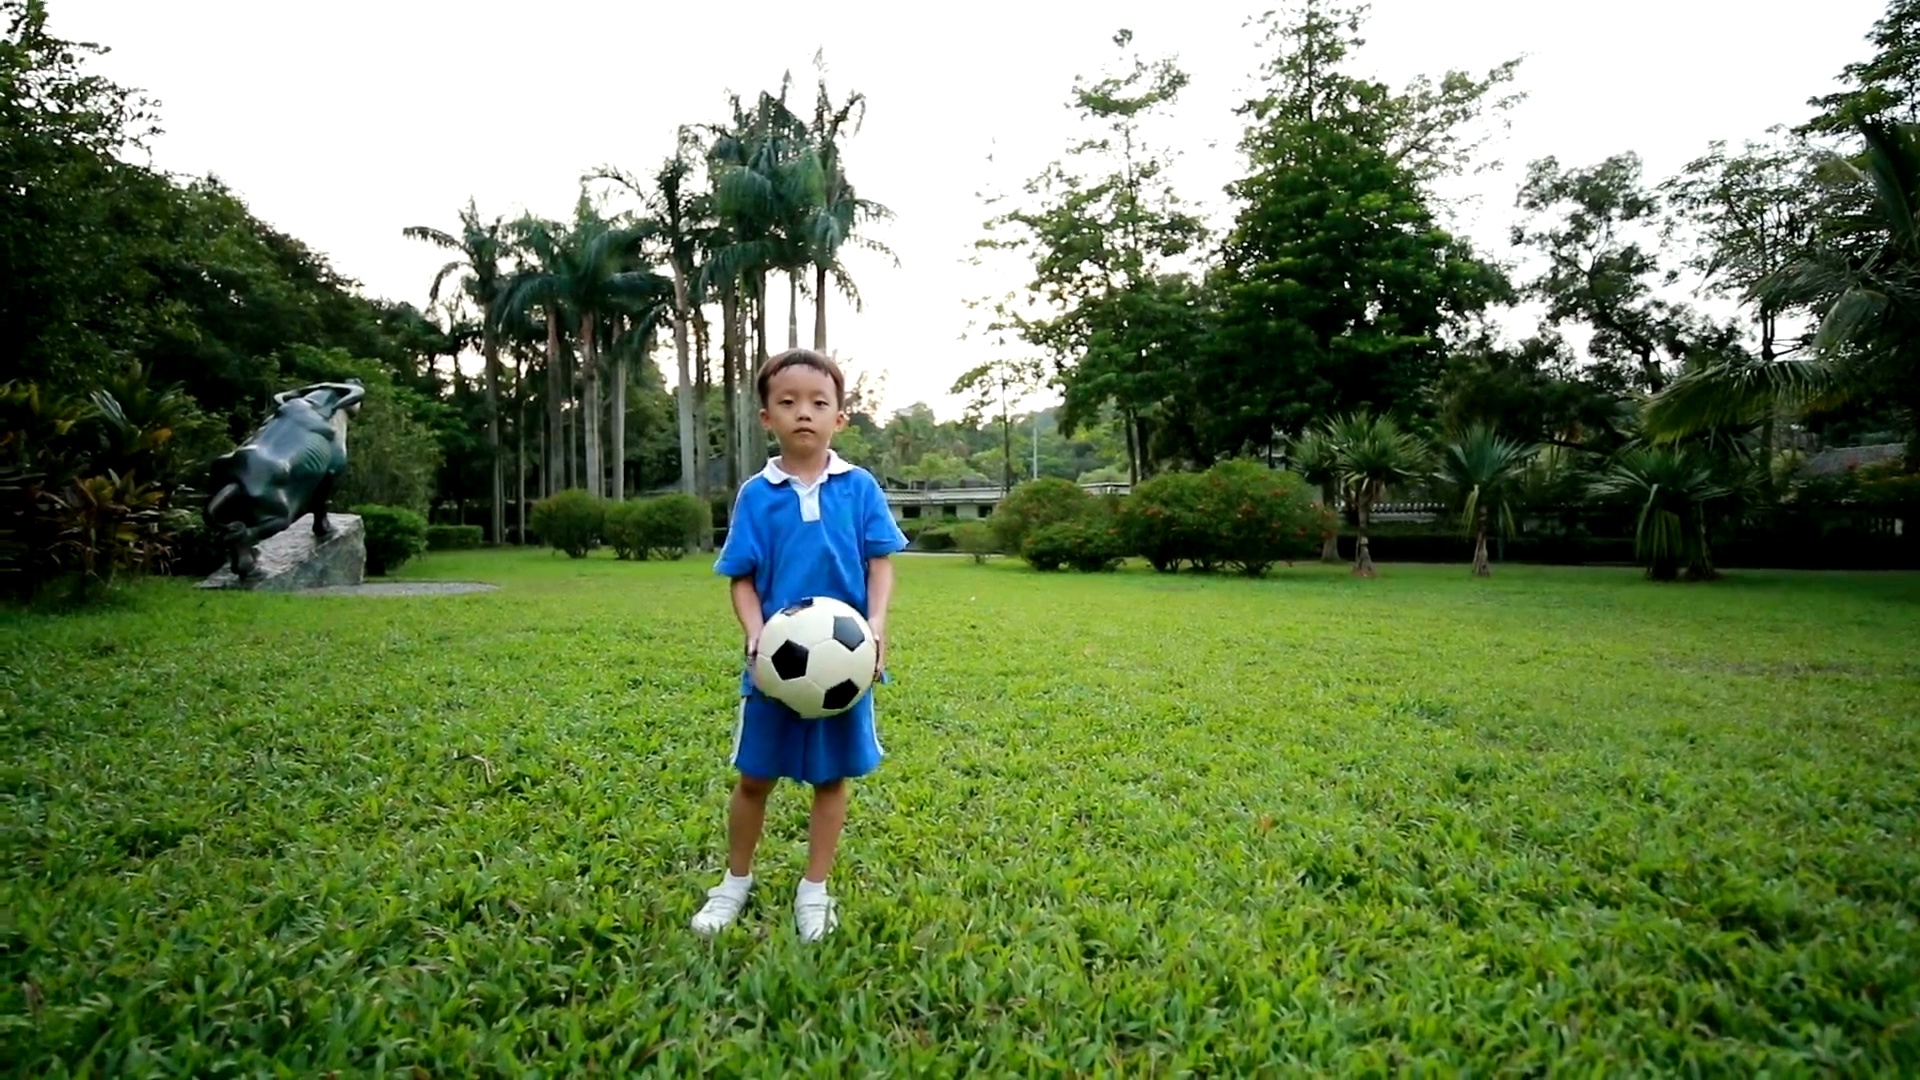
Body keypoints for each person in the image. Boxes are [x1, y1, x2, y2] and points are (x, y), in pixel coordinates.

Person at [691, 348, 909, 942]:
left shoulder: (858, 487)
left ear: (841, 417)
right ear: (767, 418)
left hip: (847, 664)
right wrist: (755, 633)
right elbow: (741, 576)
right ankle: (734, 882)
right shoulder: (757, 495)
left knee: (830, 779)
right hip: (773, 669)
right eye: (787, 403)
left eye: (819, 403)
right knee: (754, 777)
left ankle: (814, 890)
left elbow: (880, 563)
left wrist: (878, 625)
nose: (803, 413)